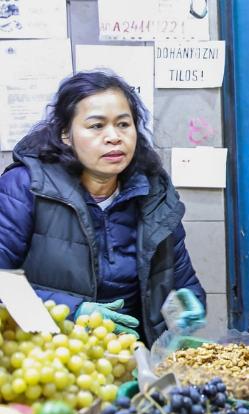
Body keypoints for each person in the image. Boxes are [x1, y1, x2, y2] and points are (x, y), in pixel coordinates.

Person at [0, 71, 206, 344]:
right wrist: (71, 313)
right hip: (49, 358)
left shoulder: (153, 194)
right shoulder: (24, 187)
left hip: (131, 358)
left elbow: (181, 281)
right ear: (65, 134)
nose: (114, 137)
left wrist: (189, 302)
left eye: (123, 124)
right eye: (96, 126)